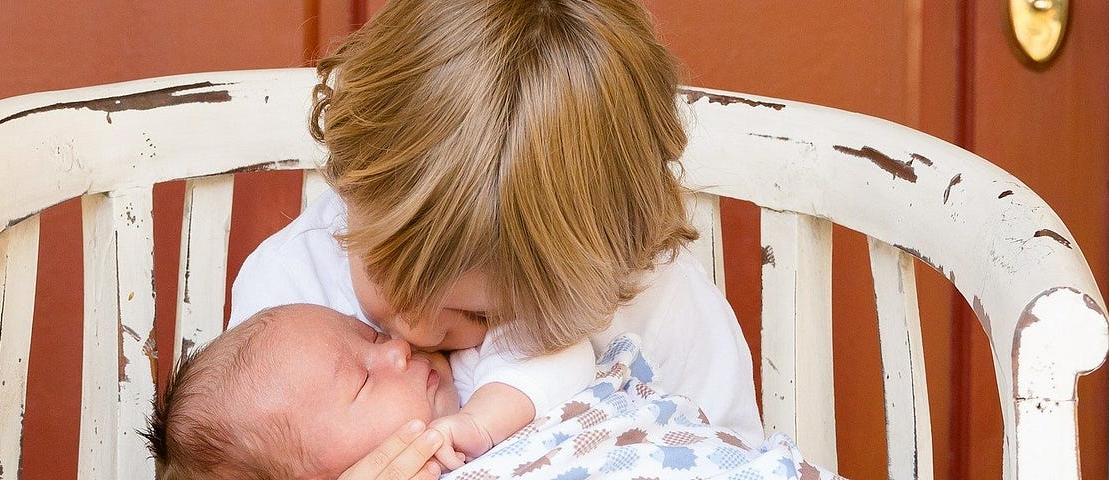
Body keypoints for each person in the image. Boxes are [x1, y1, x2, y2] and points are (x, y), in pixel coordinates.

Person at [228, 0, 763, 476]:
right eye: (393, 277)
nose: (414, 333)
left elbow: (733, 454)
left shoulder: (659, 304)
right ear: (351, 186)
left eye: (481, 317)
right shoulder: (289, 296)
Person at [148, 304, 534, 478]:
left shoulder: (473, 365)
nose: (398, 348)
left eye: (373, 335)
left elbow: (557, 353)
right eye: (363, 381)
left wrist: (481, 421)